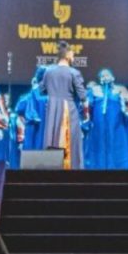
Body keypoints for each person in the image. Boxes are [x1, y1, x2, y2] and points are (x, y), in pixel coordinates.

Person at [40, 41, 87, 169]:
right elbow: (83, 96)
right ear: (67, 55)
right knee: (69, 140)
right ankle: (71, 170)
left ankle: (52, 172)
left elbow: (41, 90)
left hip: (52, 110)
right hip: (68, 109)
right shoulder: (73, 72)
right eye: (73, 54)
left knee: (53, 138)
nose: (74, 57)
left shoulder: (48, 72)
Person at [84, 68, 128, 169]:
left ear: (113, 78)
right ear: (99, 79)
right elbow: (86, 108)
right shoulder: (94, 90)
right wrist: (87, 118)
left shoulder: (121, 89)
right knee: (99, 148)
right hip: (99, 127)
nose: (105, 78)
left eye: (107, 75)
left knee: (116, 148)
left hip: (116, 127)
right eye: (102, 76)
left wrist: (127, 107)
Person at [14, 67, 48, 161]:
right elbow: (20, 118)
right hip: (33, 132)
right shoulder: (29, 98)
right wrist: (21, 139)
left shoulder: (50, 98)